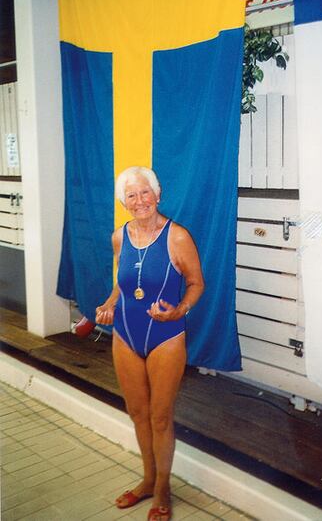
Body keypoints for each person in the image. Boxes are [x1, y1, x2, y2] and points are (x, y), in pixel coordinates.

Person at [95, 166, 204, 521]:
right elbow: (123, 282)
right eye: (131, 195)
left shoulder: (177, 237)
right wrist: (110, 303)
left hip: (166, 336)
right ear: (123, 202)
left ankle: (162, 489)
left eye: (145, 193)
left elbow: (196, 284)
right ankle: (146, 480)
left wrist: (180, 311)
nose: (139, 200)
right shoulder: (118, 237)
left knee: (160, 417)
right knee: (138, 413)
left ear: (157, 195)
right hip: (125, 333)